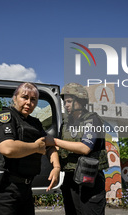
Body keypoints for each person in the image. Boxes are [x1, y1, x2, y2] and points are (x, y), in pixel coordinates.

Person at [0, 82, 60, 215]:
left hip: (24, 191)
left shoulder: (35, 123)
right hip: (1, 190)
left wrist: (56, 167)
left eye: (33, 100)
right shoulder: (6, 117)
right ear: (15, 98)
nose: (28, 102)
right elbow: (7, 148)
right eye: (24, 97)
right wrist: (36, 147)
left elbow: (49, 145)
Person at [46, 83, 108, 215]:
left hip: (89, 180)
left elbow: (85, 148)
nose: (66, 105)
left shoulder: (92, 120)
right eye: (65, 101)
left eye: (69, 101)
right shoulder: (66, 124)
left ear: (80, 100)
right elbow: (59, 146)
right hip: (71, 178)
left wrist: (55, 141)